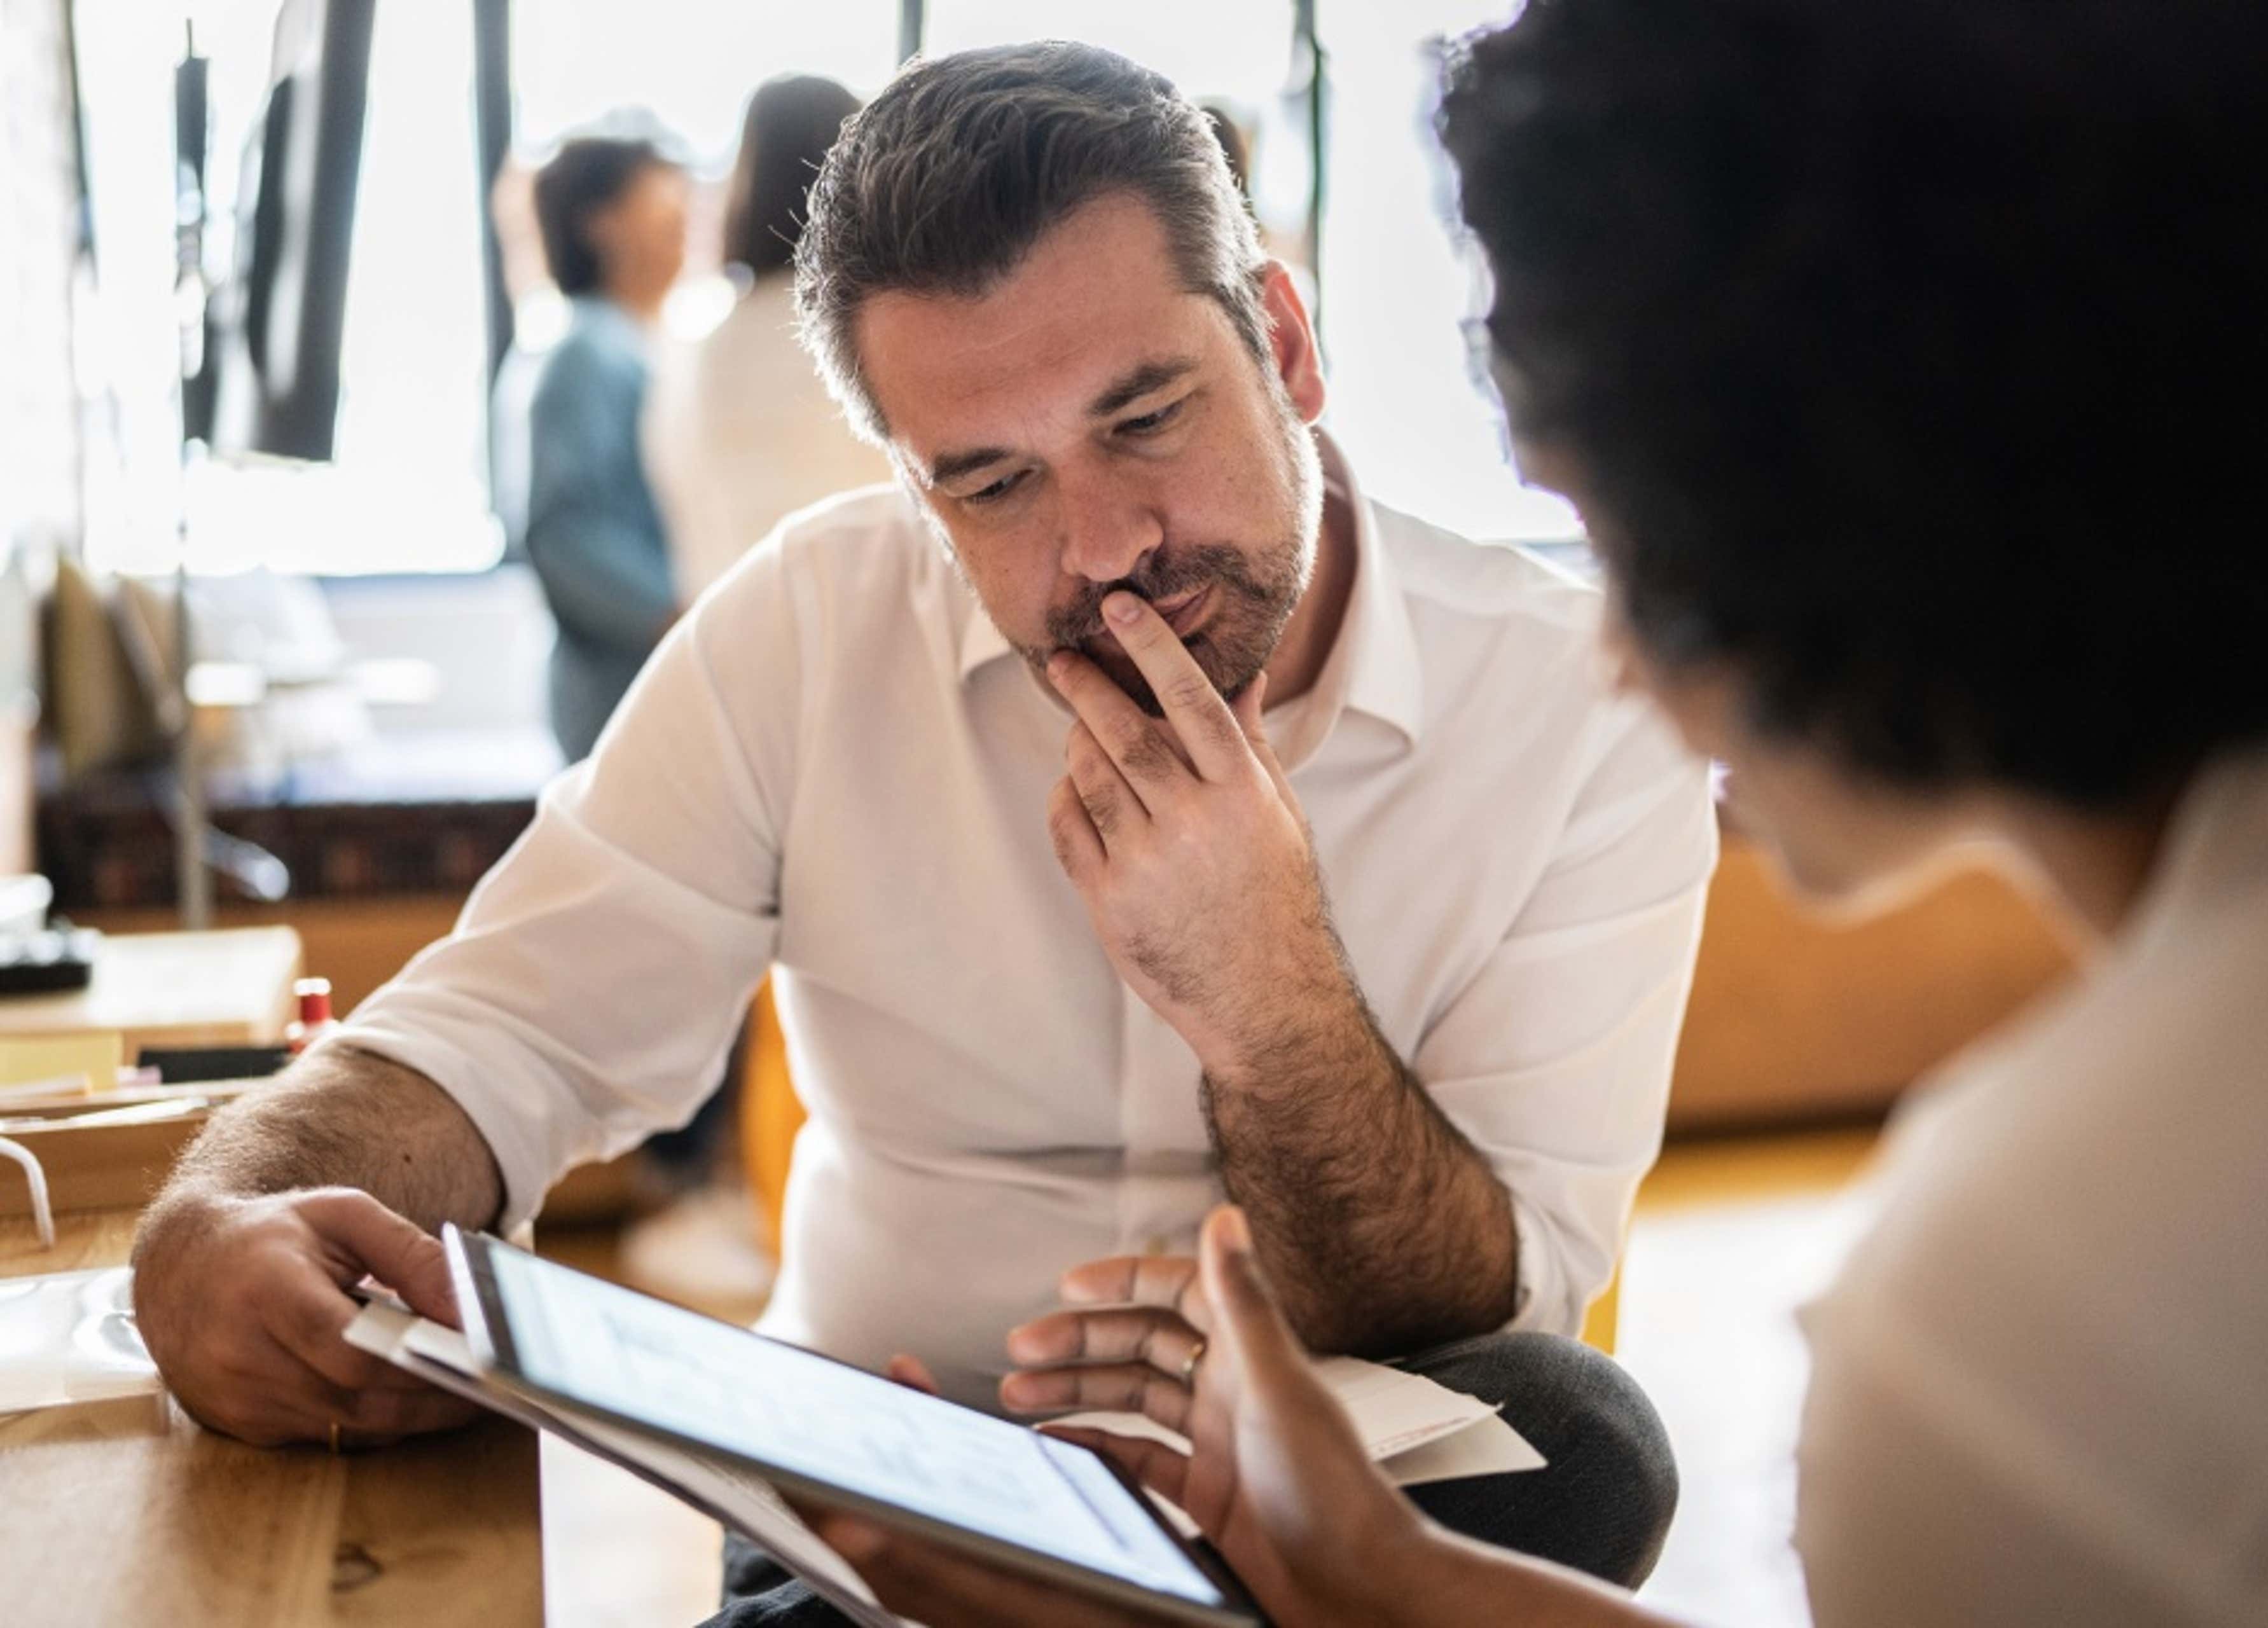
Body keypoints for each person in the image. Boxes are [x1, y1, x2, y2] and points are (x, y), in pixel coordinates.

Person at [780, 1, 2268, 1623]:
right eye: (989, 479)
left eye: (1621, 534)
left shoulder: (2026, 1341)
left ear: (1849, 492)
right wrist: (1385, 1581)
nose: (1631, 669)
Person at [125, 39, 1718, 1619]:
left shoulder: (1582, 702)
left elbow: (1490, 1297)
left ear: (1285, 346)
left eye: (1147, 417)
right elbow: (492, 1036)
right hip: (895, 1464)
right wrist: (216, 1214)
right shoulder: (812, 625)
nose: (1102, 552)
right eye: (992, 483)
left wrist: (1271, 992)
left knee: (1580, 1439)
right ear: (910, 479)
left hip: (1329, 1473)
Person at [645, 76, 893, 602]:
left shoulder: (693, 344)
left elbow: (680, 507)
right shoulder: (871, 332)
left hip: (727, 629)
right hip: (866, 623)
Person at [522, 134, 689, 761]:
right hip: (620, 692)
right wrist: (680, 613)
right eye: (662, 195)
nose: (683, 213)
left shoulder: (645, 344)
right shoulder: (584, 355)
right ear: (600, 224)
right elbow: (566, 535)